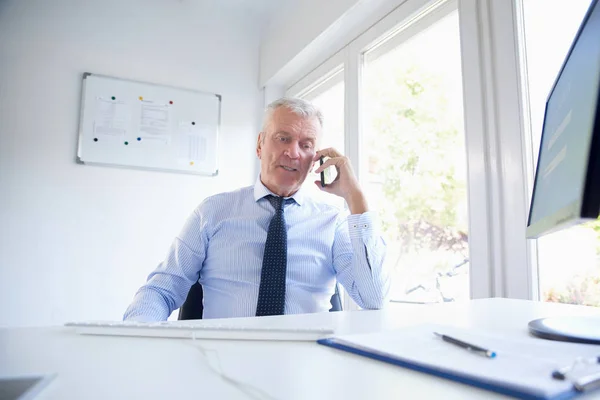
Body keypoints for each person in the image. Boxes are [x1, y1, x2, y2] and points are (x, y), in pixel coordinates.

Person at [123, 97, 390, 321]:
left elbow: (374, 299)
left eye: (306, 144)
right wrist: (138, 334)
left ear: (315, 159)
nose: (293, 152)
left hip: (304, 363)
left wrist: (356, 199)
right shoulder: (213, 212)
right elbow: (162, 289)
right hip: (222, 361)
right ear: (260, 145)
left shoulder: (334, 221)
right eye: (283, 138)